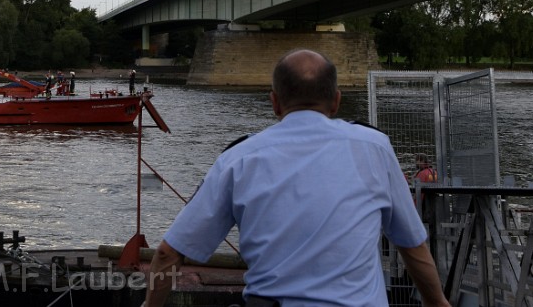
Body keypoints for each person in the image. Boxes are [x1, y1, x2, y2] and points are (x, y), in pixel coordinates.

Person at [144, 49, 450, 307]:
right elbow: (412, 245)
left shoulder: (238, 159)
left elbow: (168, 254)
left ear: (275, 102)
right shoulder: (375, 148)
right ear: (336, 101)